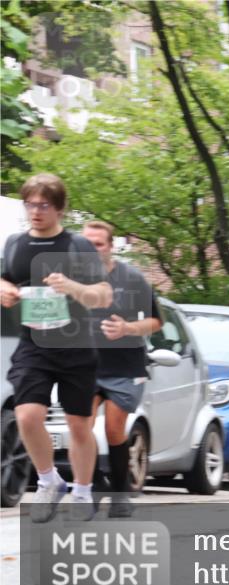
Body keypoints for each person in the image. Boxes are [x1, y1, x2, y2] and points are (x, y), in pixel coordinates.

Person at [0, 174, 111, 522]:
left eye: (43, 205)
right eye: (30, 204)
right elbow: (4, 277)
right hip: (34, 344)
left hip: (76, 345)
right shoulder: (16, 244)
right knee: (27, 416)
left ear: (59, 209)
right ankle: (49, 480)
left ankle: (81, 491)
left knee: (79, 425)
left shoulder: (77, 246)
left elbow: (102, 295)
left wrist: (72, 287)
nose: (35, 211)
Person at [81, 221, 162, 518]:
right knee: (81, 428)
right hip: (85, 365)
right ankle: (91, 485)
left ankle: (119, 492)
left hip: (124, 365)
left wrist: (128, 328)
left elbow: (156, 321)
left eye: (98, 244)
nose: (92, 250)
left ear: (110, 247)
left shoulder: (132, 279)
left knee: (115, 429)